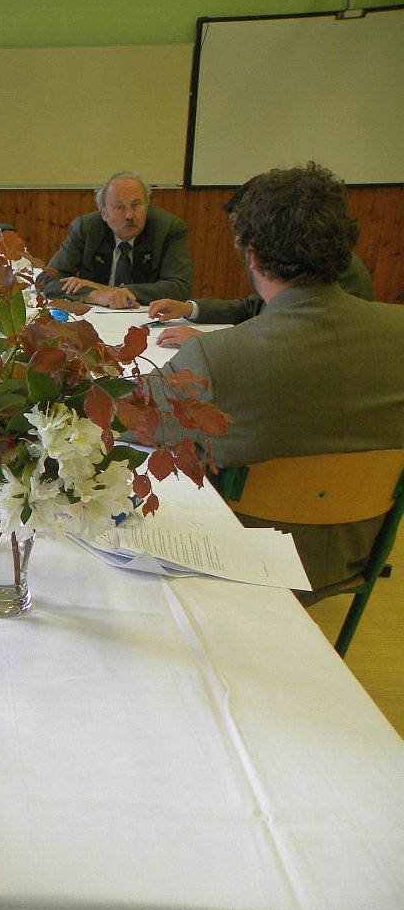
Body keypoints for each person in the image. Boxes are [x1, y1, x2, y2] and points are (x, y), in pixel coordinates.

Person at [143, 162, 404, 602]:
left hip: (239, 566)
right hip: (353, 556)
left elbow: (127, 419)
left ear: (253, 254)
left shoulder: (216, 358)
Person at [146, 178, 377, 348]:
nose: (238, 241)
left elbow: (297, 342)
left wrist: (208, 343)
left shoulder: (333, 268)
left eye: (244, 230)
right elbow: (253, 307)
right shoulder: (293, 257)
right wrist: (189, 309)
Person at [39, 171, 193, 308]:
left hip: (145, 315)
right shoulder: (86, 228)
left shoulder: (167, 229)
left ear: (146, 207)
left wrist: (108, 289)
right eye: (120, 207)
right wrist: (95, 295)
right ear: (103, 212)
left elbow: (180, 288)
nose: (129, 215)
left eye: (136, 205)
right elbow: (46, 279)